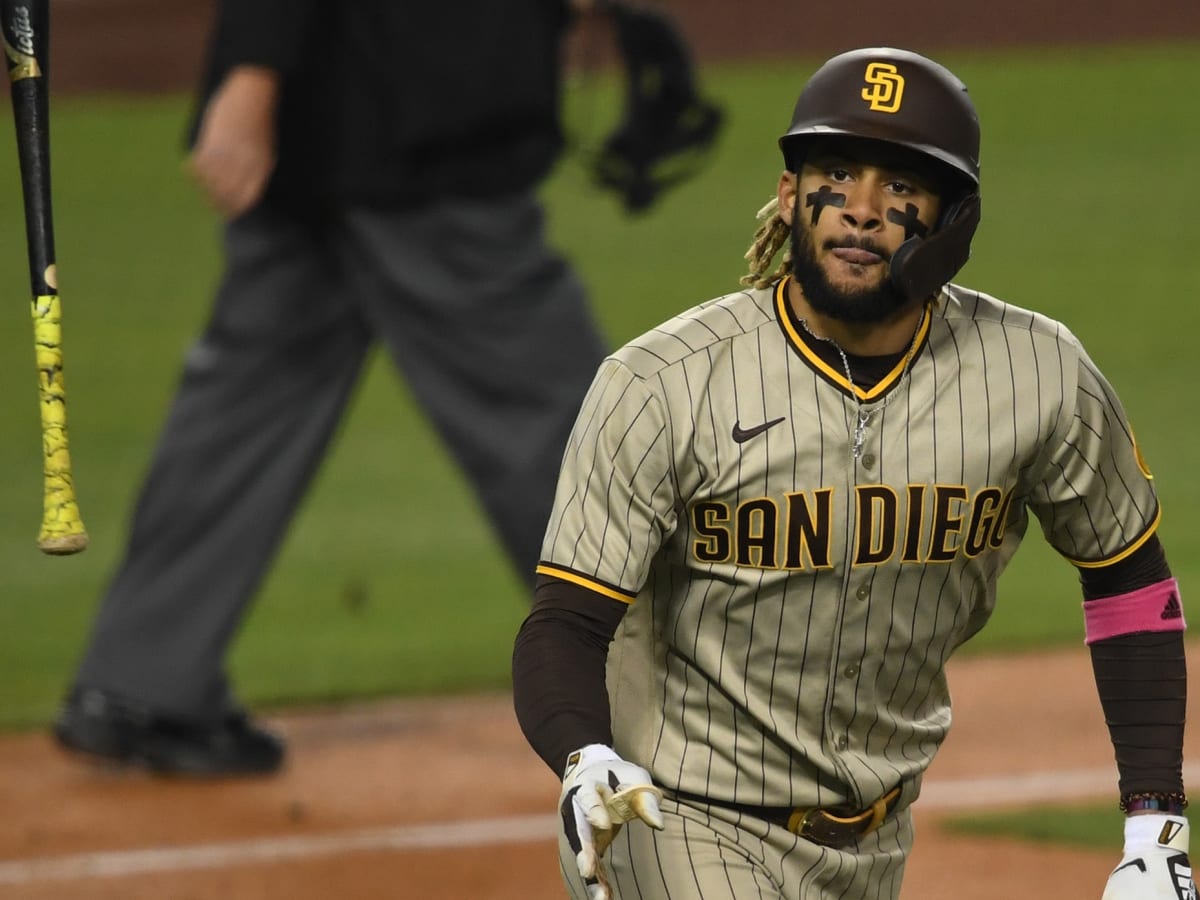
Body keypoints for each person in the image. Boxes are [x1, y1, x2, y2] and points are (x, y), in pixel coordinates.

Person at [512, 46, 1192, 900]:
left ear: (954, 222)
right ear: (791, 195)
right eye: (836, 172)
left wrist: (1156, 826)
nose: (863, 211)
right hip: (674, 816)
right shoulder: (662, 382)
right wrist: (585, 755)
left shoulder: (1039, 375)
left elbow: (1129, 581)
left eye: (902, 187)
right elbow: (566, 621)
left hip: (874, 841)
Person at [49, 0, 620, 777]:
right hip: (418, 120)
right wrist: (252, 76)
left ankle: (142, 679)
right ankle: (667, 673)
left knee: (246, 405)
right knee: (559, 415)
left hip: (320, 131)